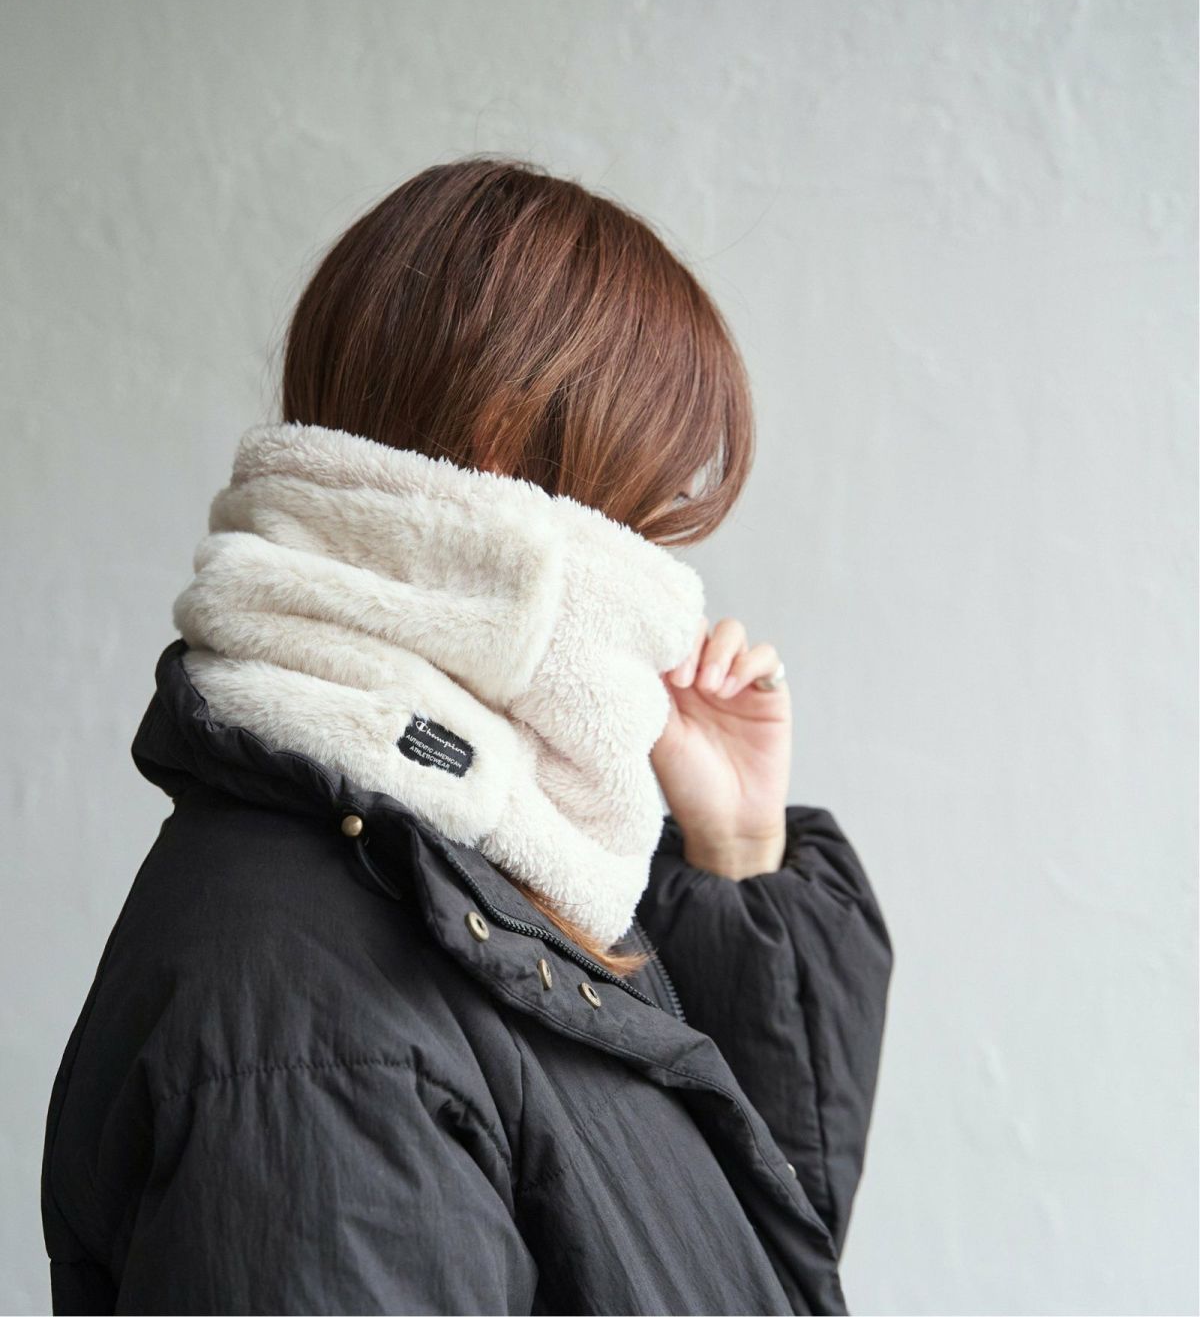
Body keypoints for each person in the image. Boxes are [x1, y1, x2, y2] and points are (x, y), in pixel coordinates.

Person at [40, 157, 892, 1316]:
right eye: (645, 521)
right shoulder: (315, 1029)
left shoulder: (477, 870)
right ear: (499, 473)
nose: (664, 592)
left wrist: (736, 855)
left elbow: (735, 1260)